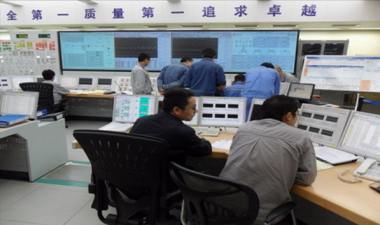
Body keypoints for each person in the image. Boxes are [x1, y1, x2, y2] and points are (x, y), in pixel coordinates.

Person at [220, 95, 317, 225]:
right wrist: (284, 171)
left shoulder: (244, 128)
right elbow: (307, 179)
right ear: (288, 116)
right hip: (261, 216)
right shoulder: (300, 137)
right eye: (296, 115)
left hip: (222, 204)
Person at [130, 88, 212, 165]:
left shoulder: (141, 121)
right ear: (177, 110)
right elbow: (205, 150)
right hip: (165, 178)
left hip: (134, 176)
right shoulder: (183, 132)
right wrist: (202, 139)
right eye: (193, 108)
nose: (196, 111)